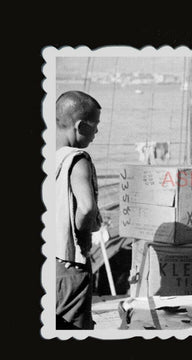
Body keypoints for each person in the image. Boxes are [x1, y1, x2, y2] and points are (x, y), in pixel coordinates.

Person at [56, 91, 102, 329]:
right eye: (95, 126)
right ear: (81, 126)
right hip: (69, 264)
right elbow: (86, 208)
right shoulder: (77, 159)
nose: (96, 133)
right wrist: (83, 239)